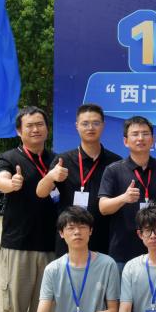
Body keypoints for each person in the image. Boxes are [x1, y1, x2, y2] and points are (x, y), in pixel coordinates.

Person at [0, 106, 59, 312]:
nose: (35, 129)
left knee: (42, 306)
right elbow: (0, 181)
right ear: (19, 131)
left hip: (50, 245)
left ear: (47, 128)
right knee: (15, 305)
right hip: (17, 245)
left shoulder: (56, 159)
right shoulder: (10, 158)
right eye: (29, 125)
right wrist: (11, 183)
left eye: (40, 124)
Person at [42, 103, 121, 256]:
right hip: (70, 238)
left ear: (103, 126)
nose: (90, 128)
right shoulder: (63, 160)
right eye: (85, 123)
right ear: (77, 126)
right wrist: (51, 176)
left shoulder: (115, 162)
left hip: (103, 238)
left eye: (96, 123)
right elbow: (41, 192)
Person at [98, 116, 156, 268]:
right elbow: (103, 207)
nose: (140, 138)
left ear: (152, 139)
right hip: (123, 251)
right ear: (125, 141)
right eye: (135, 134)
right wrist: (123, 198)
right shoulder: (114, 170)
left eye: (145, 134)